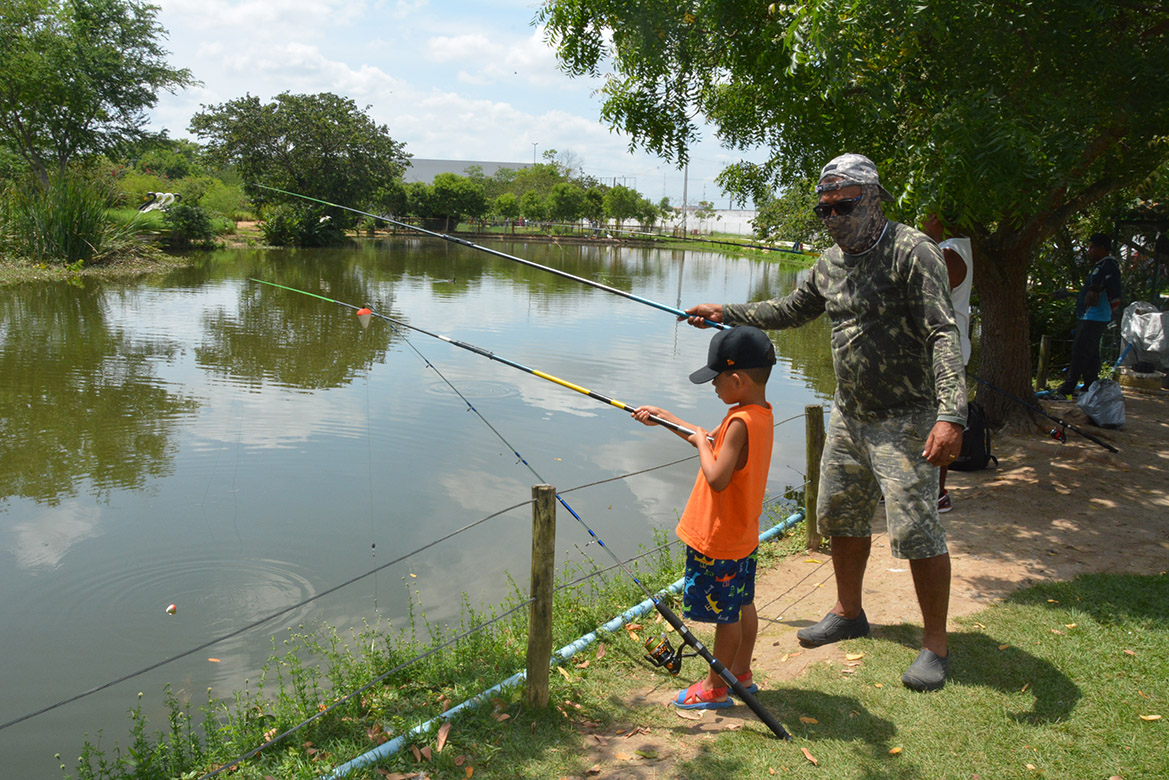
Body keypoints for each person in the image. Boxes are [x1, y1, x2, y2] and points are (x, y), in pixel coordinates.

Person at [682, 153, 967, 692]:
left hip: (907, 417)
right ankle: (848, 611)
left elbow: (941, 334)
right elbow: (791, 310)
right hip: (850, 414)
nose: (832, 217)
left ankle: (935, 643)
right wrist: (728, 313)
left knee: (916, 528)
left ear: (874, 198)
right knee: (838, 513)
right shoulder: (829, 263)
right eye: (824, 209)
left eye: (843, 205)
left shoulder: (913, 252)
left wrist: (951, 413)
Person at [631, 326, 776, 709]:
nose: (712, 387)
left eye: (715, 380)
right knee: (744, 605)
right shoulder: (757, 414)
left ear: (737, 379)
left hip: (719, 541)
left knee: (726, 618)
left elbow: (716, 476)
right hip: (743, 536)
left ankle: (715, 686)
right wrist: (667, 419)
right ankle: (740, 672)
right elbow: (714, 446)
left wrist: (698, 442)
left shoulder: (739, 422)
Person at [921, 213, 974, 514]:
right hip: (945, 349)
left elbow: (922, 290)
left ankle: (936, 493)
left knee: (937, 423)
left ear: (942, 218)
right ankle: (924, 489)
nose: (922, 222)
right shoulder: (957, 247)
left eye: (928, 216)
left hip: (943, 353)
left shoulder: (950, 253)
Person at [1057, 234, 1123, 397]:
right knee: (1091, 354)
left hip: (1094, 317)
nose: (1089, 251)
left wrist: (1111, 310)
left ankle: (1068, 389)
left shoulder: (1109, 266)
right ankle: (1090, 386)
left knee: (1079, 351)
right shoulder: (1099, 266)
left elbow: (1115, 294)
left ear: (1102, 248)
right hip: (1088, 315)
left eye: (1092, 247)